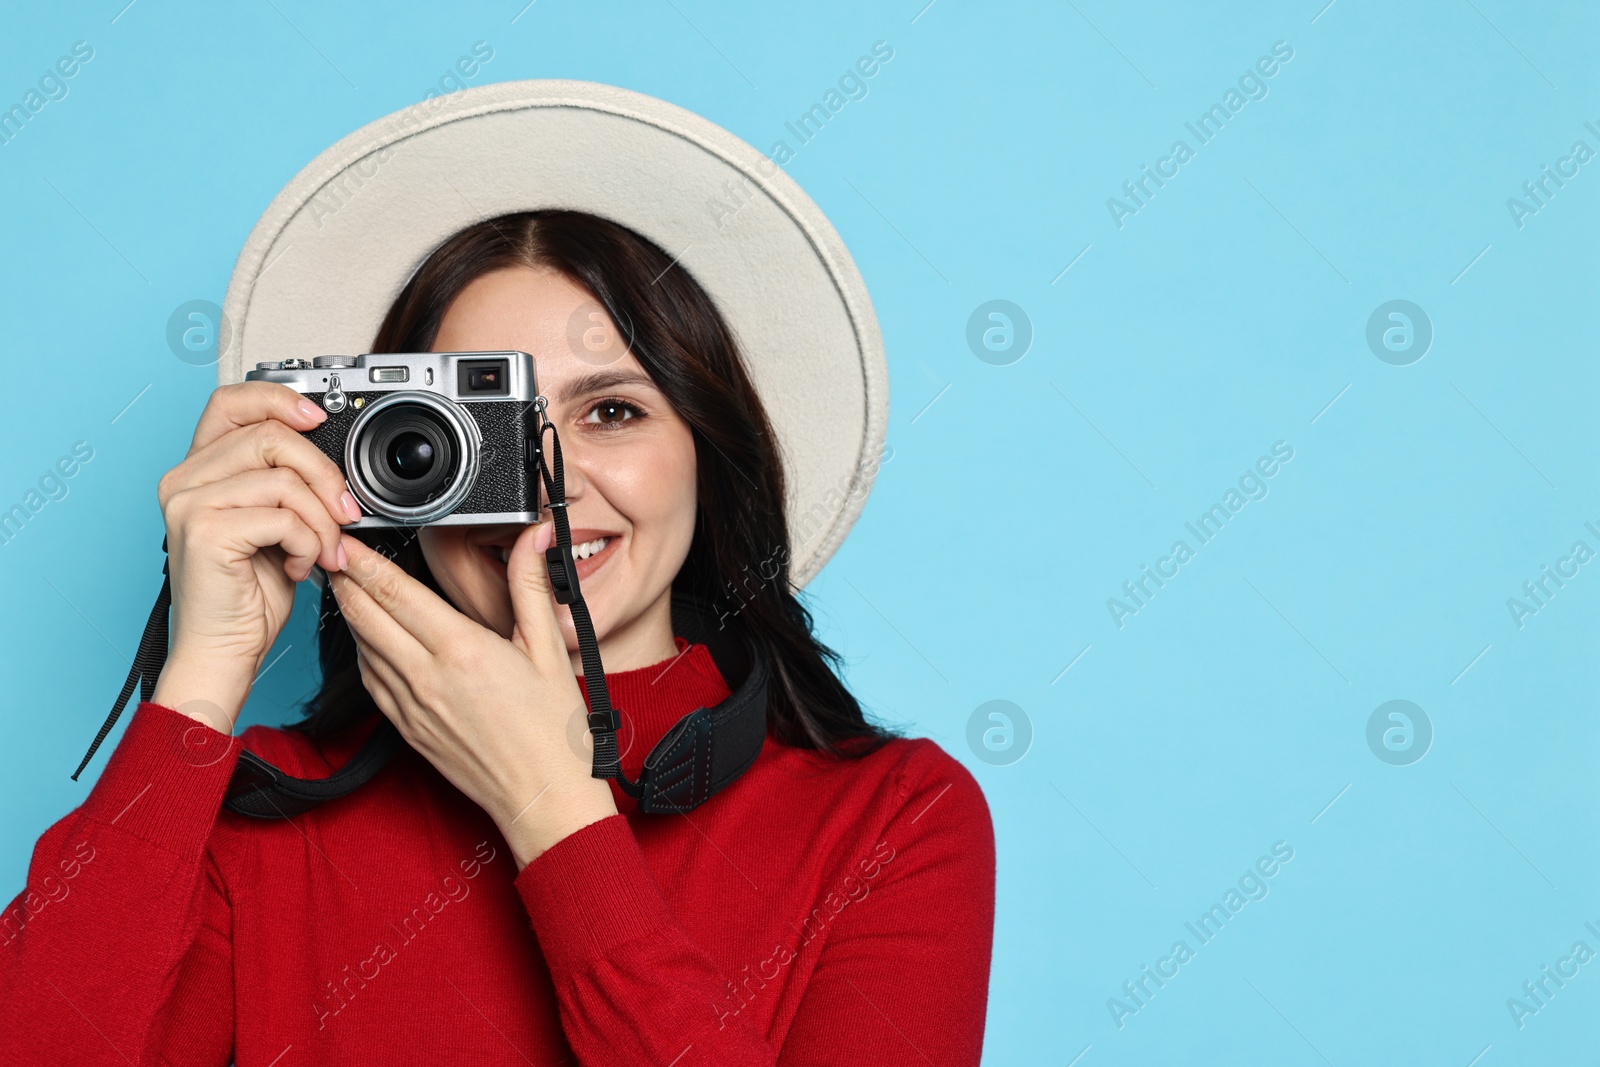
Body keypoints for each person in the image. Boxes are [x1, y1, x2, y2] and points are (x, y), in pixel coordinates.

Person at [1, 202, 994, 1064]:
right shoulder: (253, 827)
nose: (549, 486)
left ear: (706, 449)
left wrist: (551, 810)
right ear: (380, 470)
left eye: (610, 410)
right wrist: (203, 676)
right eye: (476, 431)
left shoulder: (893, 821)